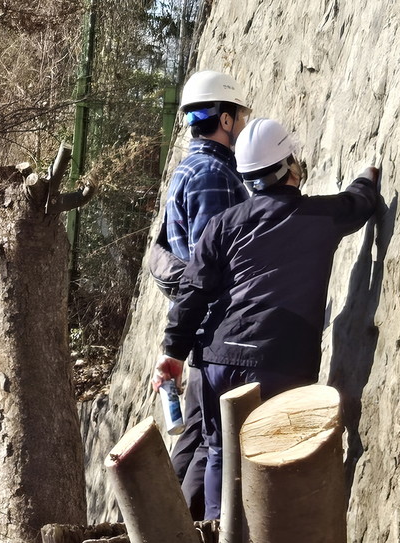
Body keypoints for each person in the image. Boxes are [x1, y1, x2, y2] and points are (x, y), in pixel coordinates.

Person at [153, 118, 380, 519]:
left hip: (218, 361)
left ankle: (217, 529)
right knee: (276, 461)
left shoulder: (223, 225)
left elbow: (194, 292)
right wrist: (368, 175)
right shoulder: (319, 216)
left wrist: (173, 352)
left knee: (222, 454)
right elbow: (358, 203)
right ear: (290, 166)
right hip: (280, 362)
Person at [163, 69, 252, 520]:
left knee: (197, 435)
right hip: (216, 327)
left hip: (201, 326)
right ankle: (177, 527)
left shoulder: (188, 169)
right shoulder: (212, 174)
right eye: (238, 114)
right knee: (207, 443)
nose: (240, 124)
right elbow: (214, 259)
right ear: (224, 119)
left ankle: (161, 523)